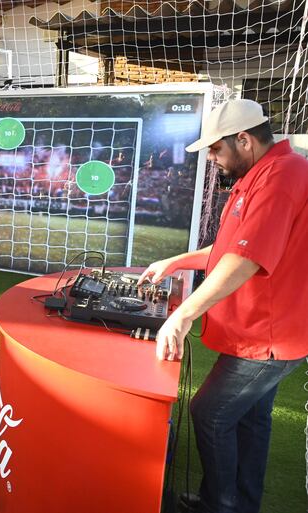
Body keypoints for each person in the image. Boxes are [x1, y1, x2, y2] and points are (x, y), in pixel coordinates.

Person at [137, 99, 308, 513]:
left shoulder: (283, 176)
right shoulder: (265, 173)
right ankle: (239, 503)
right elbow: (232, 247)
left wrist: (182, 315)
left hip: (269, 337)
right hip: (265, 331)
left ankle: (221, 505)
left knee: (210, 413)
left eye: (215, 149)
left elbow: (244, 260)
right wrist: (178, 261)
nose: (211, 159)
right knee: (250, 419)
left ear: (244, 140)